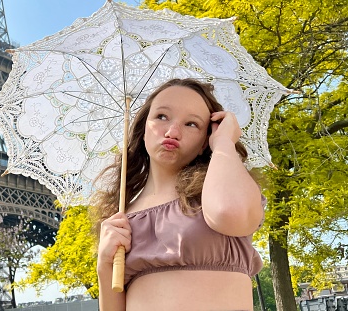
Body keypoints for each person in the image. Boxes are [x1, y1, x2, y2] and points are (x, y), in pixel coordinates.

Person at [91, 78, 265, 311]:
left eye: (191, 124)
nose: (172, 131)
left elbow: (232, 212)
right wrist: (104, 265)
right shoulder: (121, 218)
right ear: (143, 130)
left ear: (206, 141)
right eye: (162, 117)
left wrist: (224, 143)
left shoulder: (217, 191)